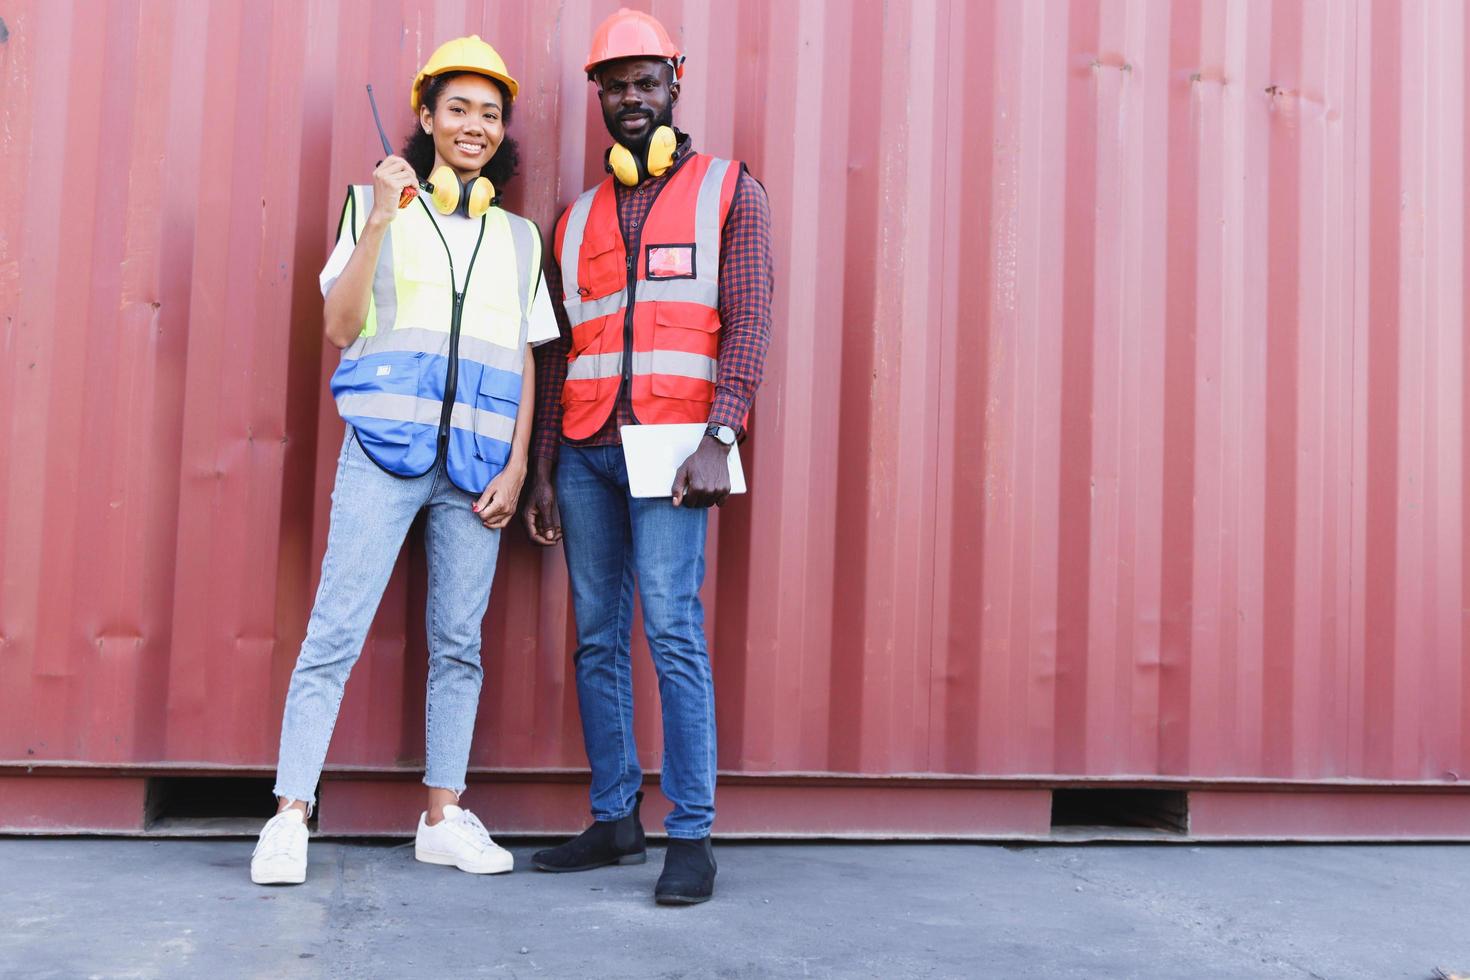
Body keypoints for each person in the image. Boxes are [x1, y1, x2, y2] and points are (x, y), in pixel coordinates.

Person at [250, 35, 559, 885]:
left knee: (459, 644)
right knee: (334, 632)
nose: (475, 125)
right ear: (425, 117)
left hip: (475, 470)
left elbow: (529, 353)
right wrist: (383, 217)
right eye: (458, 108)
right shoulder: (367, 206)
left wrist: (518, 463)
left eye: (490, 113)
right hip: (384, 454)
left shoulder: (521, 238)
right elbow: (339, 327)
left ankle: (443, 816)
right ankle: (288, 817)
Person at [523, 8, 773, 905]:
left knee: (670, 629)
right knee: (597, 638)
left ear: (675, 82)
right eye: (613, 85)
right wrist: (544, 466)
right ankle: (616, 816)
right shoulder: (575, 217)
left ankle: (691, 835)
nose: (630, 98)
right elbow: (559, 353)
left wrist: (723, 434)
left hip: (677, 451)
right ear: (598, 96)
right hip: (587, 451)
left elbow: (747, 322)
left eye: (644, 81)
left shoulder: (728, 190)